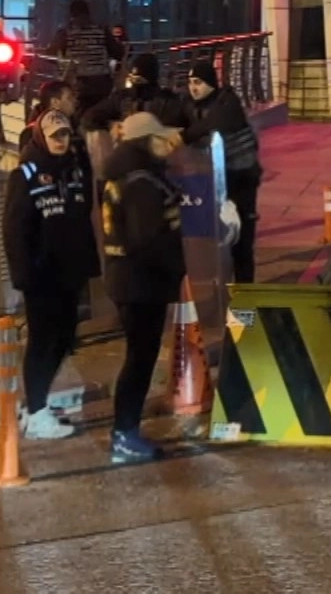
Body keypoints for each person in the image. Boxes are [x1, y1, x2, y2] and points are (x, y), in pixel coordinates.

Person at [0, 111, 100, 442]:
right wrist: (24, 273)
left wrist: (83, 154)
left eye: (65, 135)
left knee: (65, 339)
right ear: (42, 138)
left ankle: (36, 402)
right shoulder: (26, 174)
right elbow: (15, 229)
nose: (61, 141)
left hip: (69, 271)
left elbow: (84, 210)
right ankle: (37, 411)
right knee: (43, 341)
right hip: (41, 275)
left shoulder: (73, 170)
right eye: (55, 135)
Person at [99, 111, 191, 462]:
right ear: (144, 141)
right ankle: (124, 433)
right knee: (139, 360)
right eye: (158, 138)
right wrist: (174, 268)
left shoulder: (123, 176)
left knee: (139, 357)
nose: (165, 144)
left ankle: (126, 430)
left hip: (129, 279)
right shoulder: (141, 182)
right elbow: (147, 240)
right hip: (140, 284)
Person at [182, 60, 263, 283]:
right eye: (190, 82)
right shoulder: (189, 105)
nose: (193, 88)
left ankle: (245, 291)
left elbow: (217, 121)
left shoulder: (228, 101)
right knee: (213, 237)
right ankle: (218, 286)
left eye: (198, 82)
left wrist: (185, 136)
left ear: (210, 83)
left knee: (242, 238)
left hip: (241, 177)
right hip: (212, 181)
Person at [46, 0, 124, 110]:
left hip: (77, 84)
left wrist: (63, 64)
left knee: (76, 112)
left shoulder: (65, 32)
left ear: (71, 15)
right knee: (101, 113)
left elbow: (50, 55)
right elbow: (118, 53)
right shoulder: (102, 30)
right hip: (102, 83)